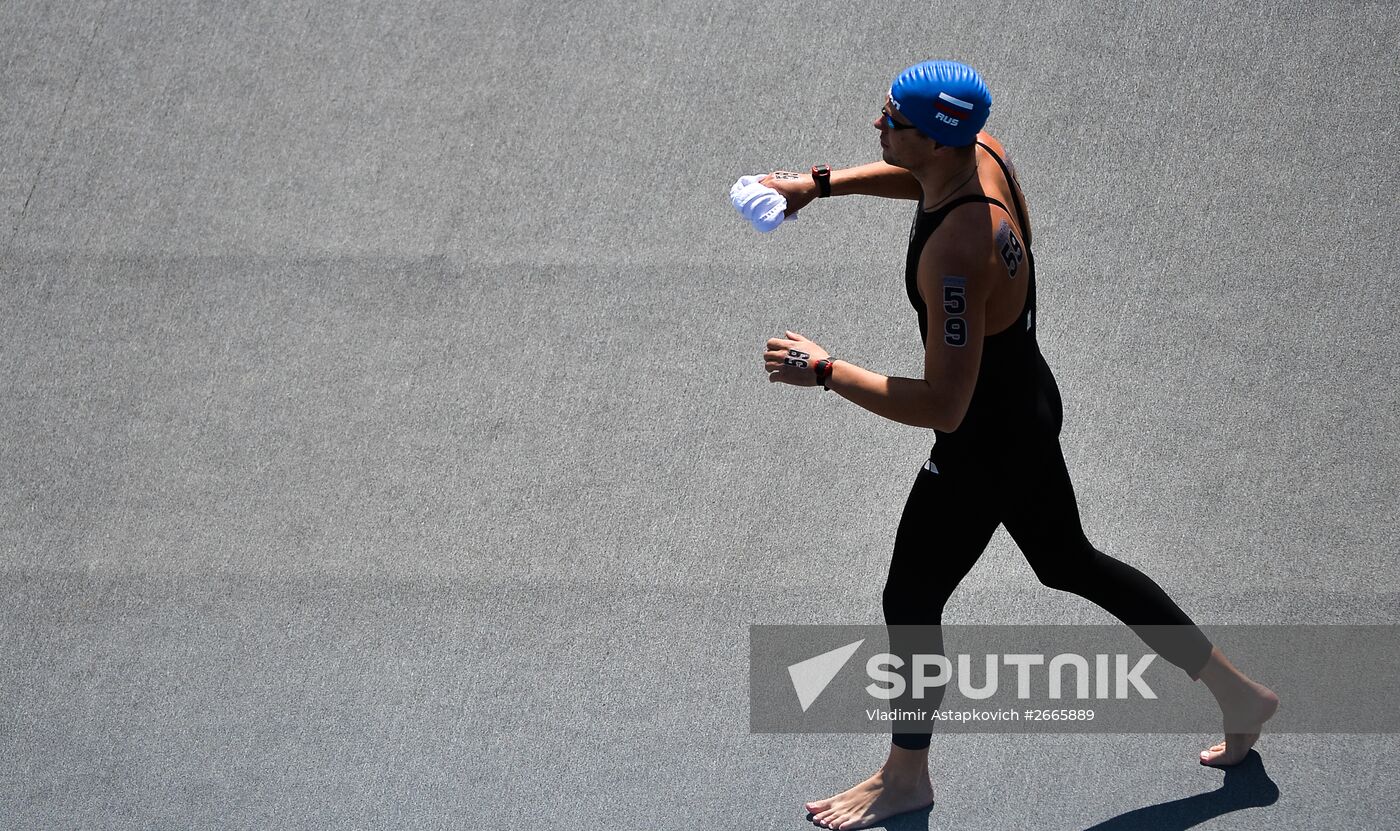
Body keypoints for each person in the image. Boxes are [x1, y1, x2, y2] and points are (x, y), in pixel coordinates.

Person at [754, 60, 1280, 830]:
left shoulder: (958, 254)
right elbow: (920, 182)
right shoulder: (979, 152)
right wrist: (818, 183)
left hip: (986, 443)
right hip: (1029, 404)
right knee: (1069, 560)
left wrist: (826, 370)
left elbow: (944, 403)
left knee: (910, 596)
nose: (878, 126)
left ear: (933, 138)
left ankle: (906, 776)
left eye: (891, 120)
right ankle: (1242, 693)